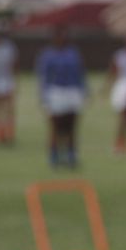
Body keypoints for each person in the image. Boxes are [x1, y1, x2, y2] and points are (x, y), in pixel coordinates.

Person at [35, 25, 87, 169]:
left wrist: (84, 91)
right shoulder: (48, 55)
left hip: (72, 92)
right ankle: (54, 155)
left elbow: (80, 74)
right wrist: (43, 96)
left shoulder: (73, 53)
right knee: (55, 126)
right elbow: (43, 77)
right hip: (55, 92)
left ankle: (71, 155)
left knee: (71, 126)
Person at [0, 22, 19, 146]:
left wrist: (14, 81)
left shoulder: (8, 48)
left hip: (7, 82)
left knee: (8, 110)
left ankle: (8, 134)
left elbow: (14, 65)